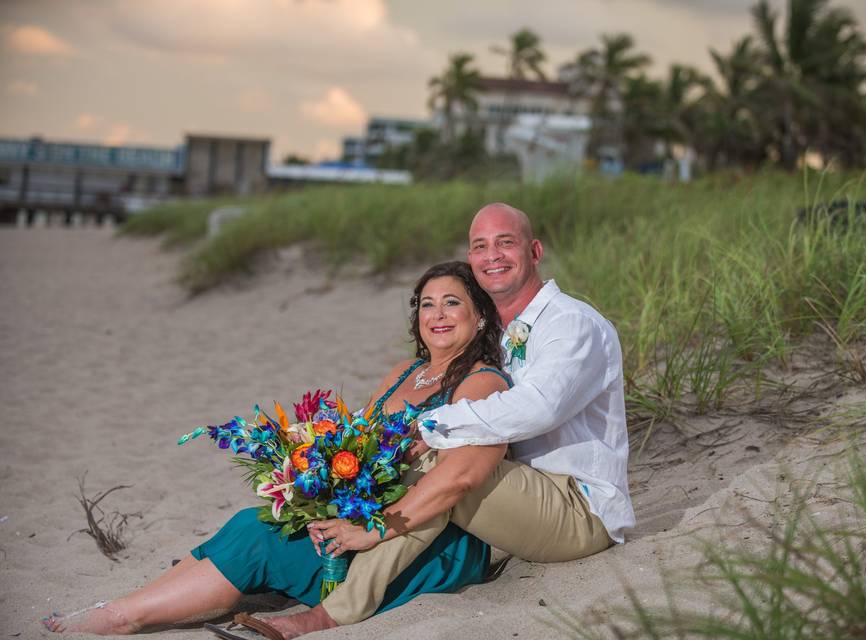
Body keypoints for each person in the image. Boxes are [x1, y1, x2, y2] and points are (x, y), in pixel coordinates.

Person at [41, 261, 511, 636]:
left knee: (256, 542)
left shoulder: (481, 381)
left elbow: (452, 480)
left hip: (423, 537)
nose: (438, 315)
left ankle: (127, 617)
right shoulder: (403, 373)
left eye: (453, 303)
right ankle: (141, 604)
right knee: (256, 521)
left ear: (480, 314)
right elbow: (360, 449)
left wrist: (362, 520)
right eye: (428, 304)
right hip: (370, 515)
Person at [245, 202, 636, 639]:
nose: (493, 255)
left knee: (441, 466)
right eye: (480, 246)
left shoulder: (571, 323)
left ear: (535, 251)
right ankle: (315, 581)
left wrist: (429, 426)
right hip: (525, 500)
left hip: (581, 509)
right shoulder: (501, 336)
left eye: (506, 243)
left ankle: (328, 614)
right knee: (416, 467)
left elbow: (537, 408)